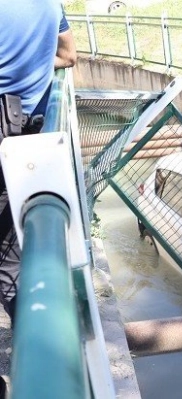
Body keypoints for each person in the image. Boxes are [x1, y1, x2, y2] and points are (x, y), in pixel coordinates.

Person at [0, 0, 73, 330]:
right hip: (27, 136)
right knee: (11, 260)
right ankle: (38, 341)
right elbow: (69, 56)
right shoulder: (49, 3)